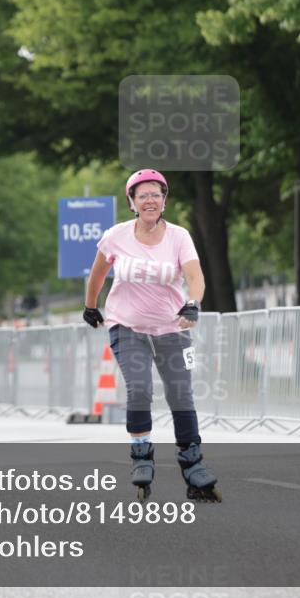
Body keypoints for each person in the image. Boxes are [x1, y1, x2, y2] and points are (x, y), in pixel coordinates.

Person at [83, 169, 221, 503]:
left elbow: (195, 276)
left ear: (164, 201)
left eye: (156, 194)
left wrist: (193, 303)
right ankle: (141, 456)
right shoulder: (116, 236)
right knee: (140, 388)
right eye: (142, 195)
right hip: (126, 326)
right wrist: (90, 306)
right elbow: (99, 273)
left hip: (172, 327)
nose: (150, 200)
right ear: (131, 202)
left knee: (180, 394)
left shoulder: (179, 237)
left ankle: (193, 465)